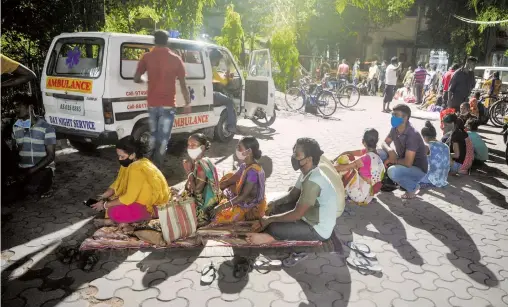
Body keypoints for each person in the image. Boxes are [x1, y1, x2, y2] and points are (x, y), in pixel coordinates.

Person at [245, 138, 337, 244]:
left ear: (308, 159)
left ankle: (271, 238)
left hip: (318, 229)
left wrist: (270, 219)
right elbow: (292, 195)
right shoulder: (307, 172)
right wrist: (272, 203)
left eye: (297, 154)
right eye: (293, 153)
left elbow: (297, 214)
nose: (293, 157)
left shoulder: (313, 181)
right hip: (308, 215)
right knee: (275, 209)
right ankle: (274, 230)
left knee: (273, 227)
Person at [134, 30, 191, 169]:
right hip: (168, 105)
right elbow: (183, 84)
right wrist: (188, 102)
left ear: (154, 41)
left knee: (153, 136)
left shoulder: (146, 57)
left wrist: (146, 80)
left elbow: (136, 78)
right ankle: (156, 169)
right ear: (168, 41)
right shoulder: (175, 58)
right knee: (163, 139)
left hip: (153, 104)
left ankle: (147, 166)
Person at [91, 136, 170, 229]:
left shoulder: (136, 168)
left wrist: (105, 205)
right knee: (112, 200)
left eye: (122, 156)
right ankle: (119, 220)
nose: (120, 159)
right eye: (118, 156)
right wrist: (103, 196)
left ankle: (112, 221)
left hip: (154, 207)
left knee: (113, 211)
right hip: (144, 202)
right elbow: (117, 183)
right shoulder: (133, 162)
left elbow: (128, 198)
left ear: (132, 155)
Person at [5, 94, 56, 202]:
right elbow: (15, 152)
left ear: (31, 107)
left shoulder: (46, 127)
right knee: (8, 195)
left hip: (41, 169)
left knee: (31, 189)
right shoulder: (15, 127)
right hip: (23, 170)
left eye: (19, 105)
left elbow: (51, 156)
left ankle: (38, 187)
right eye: (14, 107)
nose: (16, 109)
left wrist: (29, 172)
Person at [212, 137, 266, 224]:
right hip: (243, 196)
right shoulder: (244, 166)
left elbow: (242, 197)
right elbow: (231, 180)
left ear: (249, 151)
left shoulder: (253, 173)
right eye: (237, 147)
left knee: (218, 219)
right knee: (228, 176)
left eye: (239, 148)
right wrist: (217, 187)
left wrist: (220, 207)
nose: (237, 150)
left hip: (249, 207)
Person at [379, 104, 428, 199]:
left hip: (417, 169)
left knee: (392, 171)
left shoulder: (412, 134)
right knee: (380, 152)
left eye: (396, 115)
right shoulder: (395, 129)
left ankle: (413, 187)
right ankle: (391, 182)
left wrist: (392, 160)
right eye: (392, 114)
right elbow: (384, 143)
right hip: (403, 162)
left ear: (405, 118)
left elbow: (408, 163)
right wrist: (390, 150)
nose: (393, 117)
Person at [335, 129, 385, 205]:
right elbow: (349, 153)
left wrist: (331, 164)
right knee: (350, 158)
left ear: (363, 142)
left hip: (360, 196)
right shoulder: (377, 156)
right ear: (377, 141)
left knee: (346, 170)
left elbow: (341, 168)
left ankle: (342, 193)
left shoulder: (364, 159)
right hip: (370, 194)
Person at [182, 133, 220, 226]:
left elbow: (197, 192)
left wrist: (188, 172)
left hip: (204, 208)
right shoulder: (204, 160)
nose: (190, 148)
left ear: (202, 148)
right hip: (212, 201)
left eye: (193, 145)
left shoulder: (200, 166)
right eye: (188, 145)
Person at [210, 49, 237, 133]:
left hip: (204, 93)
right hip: (210, 95)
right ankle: (231, 126)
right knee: (229, 102)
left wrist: (225, 76)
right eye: (218, 59)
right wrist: (229, 76)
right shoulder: (211, 69)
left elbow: (216, 80)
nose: (218, 62)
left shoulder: (206, 66)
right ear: (215, 58)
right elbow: (223, 83)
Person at [419, 121, 450, 188]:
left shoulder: (428, 146)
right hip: (443, 178)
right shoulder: (445, 145)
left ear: (425, 137)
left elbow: (421, 163)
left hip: (432, 179)